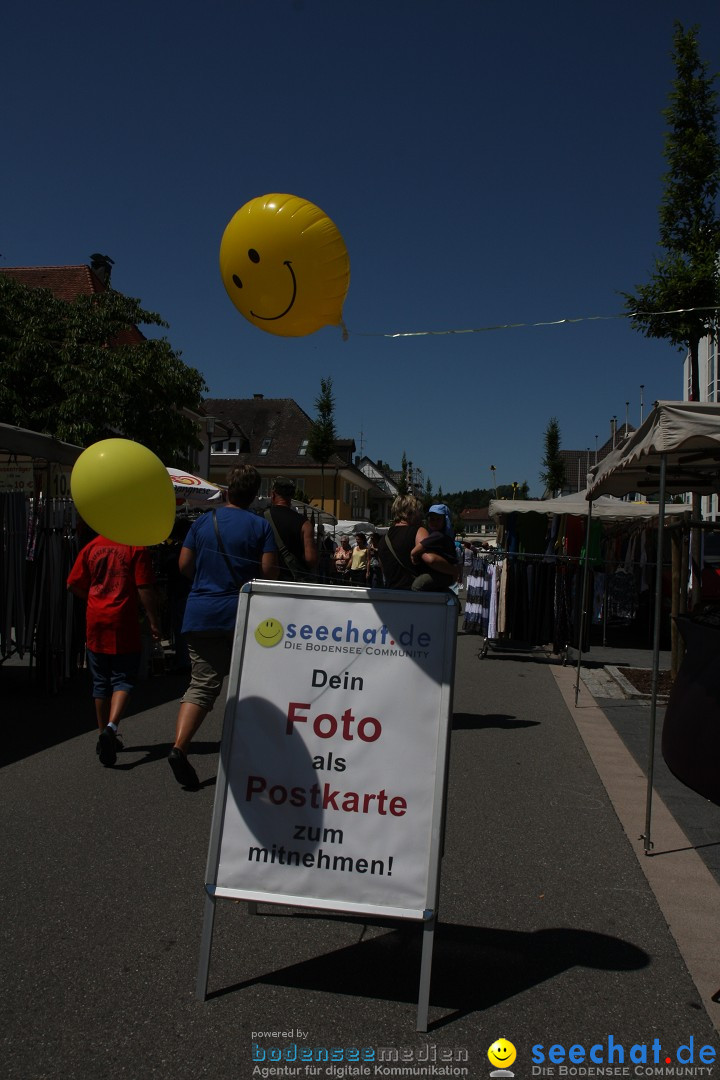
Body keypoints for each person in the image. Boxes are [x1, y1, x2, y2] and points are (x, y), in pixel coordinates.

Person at [168, 465, 278, 790]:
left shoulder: (203, 521)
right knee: (251, 683)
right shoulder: (260, 526)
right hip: (242, 613)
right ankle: (250, 751)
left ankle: (179, 746)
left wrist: (205, 584)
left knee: (201, 684)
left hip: (200, 611)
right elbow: (269, 573)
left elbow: (184, 565)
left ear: (228, 489)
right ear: (254, 494)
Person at [67, 531, 161, 767]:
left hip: (96, 618)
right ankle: (111, 728)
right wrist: (153, 620)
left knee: (100, 682)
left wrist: (94, 596)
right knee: (123, 678)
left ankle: (103, 735)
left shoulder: (92, 546)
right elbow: (144, 587)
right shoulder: (135, 547)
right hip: (122, 619)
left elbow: (72, 584)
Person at [377, 495, 457, 591]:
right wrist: (454, 571)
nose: (421, 516)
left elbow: (383, 568)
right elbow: (430, 559)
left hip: (391, 595)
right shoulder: (418, 531)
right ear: (412, 513)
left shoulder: (383, 540)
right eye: (419, 512)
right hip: (416, 597)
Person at [264, 476, 318, 582]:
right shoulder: (305, 524)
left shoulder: (261, 518)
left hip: (266, 581)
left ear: (273, 494)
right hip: (293, 582)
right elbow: (311, 559)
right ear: (292, 496)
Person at [410, 503, 458, 591]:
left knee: (417, 585)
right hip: (447, 574)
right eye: (432, 519)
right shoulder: (445, 536)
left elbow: (418, 548)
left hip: (443, 574)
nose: (434, 522)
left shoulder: (437, 535)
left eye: (438, 519)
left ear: (445, 521)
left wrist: (413, 555)